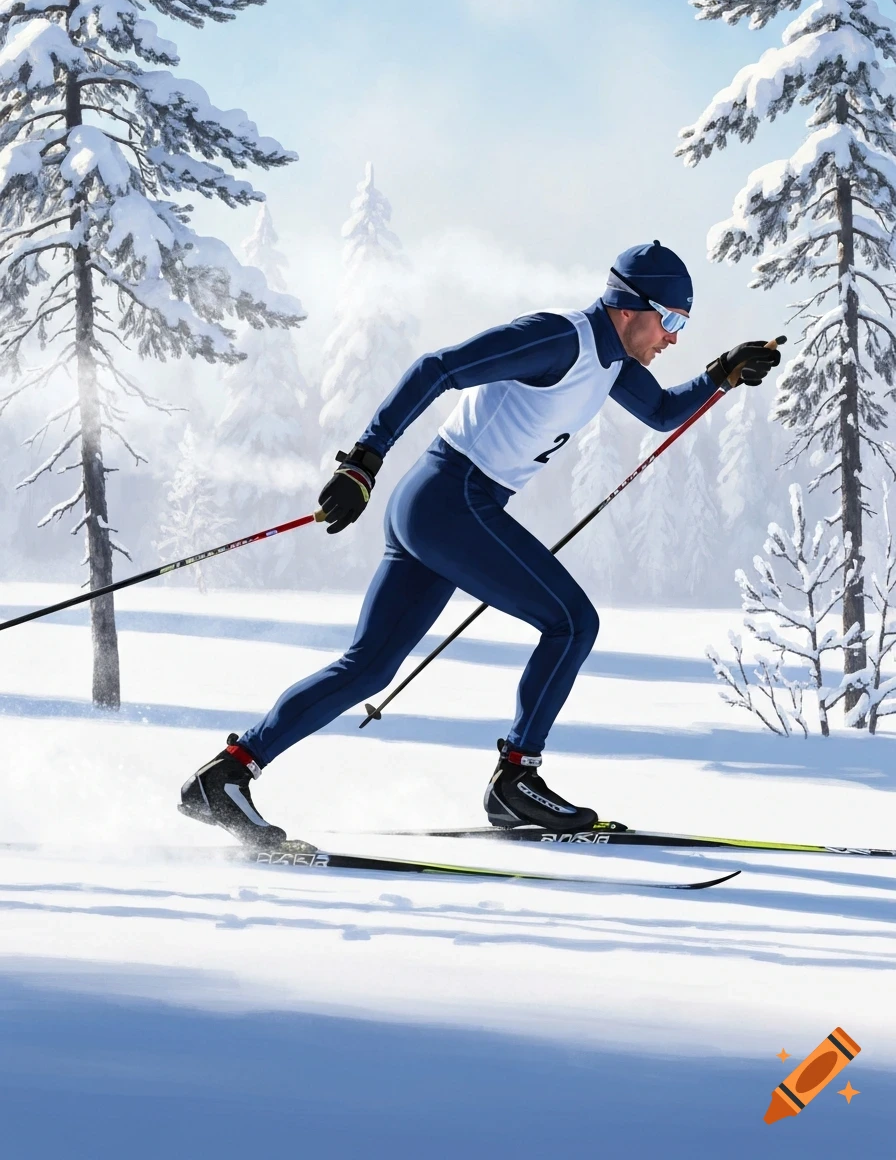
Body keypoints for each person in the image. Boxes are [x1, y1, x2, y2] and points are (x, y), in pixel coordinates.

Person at [179, 240, 781, 844]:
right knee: (572, 623)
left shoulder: (614, 365)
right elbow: (437, 367)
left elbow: (663, 413)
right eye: (670, 321)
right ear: (629, 307)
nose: (673, 338)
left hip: (446, 507)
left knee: (368, 668)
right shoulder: (560, 340)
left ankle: (227, 776)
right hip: (451, 499)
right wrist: (363, 459)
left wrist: (723, 374)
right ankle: (517, 778)